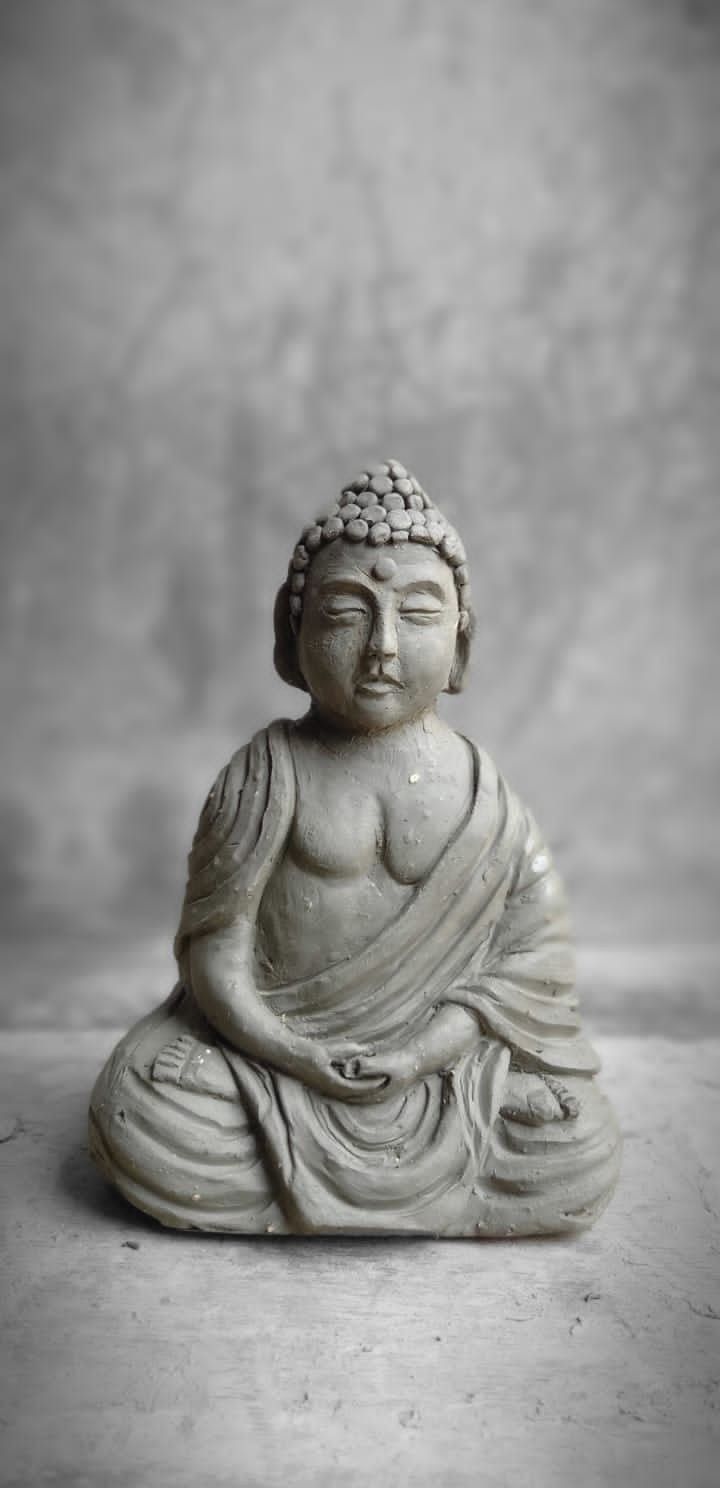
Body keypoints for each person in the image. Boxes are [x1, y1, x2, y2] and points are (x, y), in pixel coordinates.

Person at [89, 461, 621, 1235]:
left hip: (440, 1069)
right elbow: (215, 960)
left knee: (575, 1144)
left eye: (417, 615)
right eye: (344, 615)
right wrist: (292, 1054)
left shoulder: (487, 799)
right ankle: (276, 1128)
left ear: (462, 645)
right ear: (291, 637)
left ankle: (462, 1123)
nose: (381, 647)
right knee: (146, 1114)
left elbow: (525, 970)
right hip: (270, 1062)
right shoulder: (263, 777)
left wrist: (422, 1056)